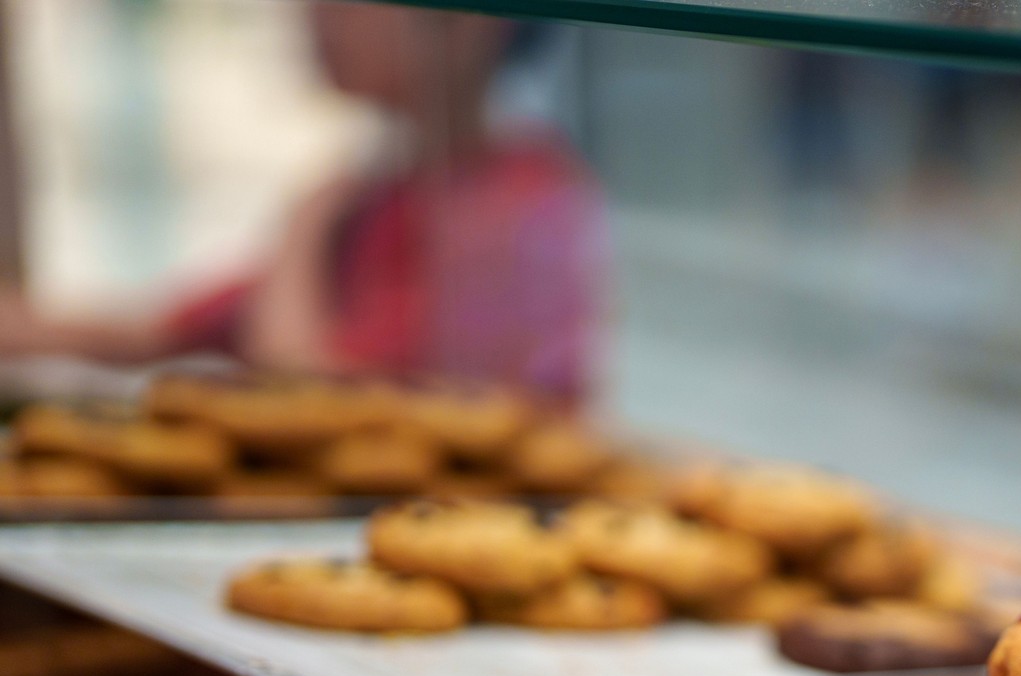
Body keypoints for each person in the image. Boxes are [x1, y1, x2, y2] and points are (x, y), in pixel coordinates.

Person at [0, 3, 604, 402]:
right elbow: (175, 328)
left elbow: (306, 394)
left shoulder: (509, 203)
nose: (318, 11)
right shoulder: (389, 185)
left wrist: (307, 225)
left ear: (470, 23)